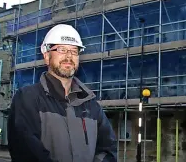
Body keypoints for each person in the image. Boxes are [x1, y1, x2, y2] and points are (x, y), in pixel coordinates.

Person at [7, 24, 117, 162]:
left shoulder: (92, 106)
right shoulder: (27, 99)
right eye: (61, 49)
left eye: (74, 51)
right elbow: (26, 152)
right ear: (46, 56)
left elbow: (108, 150)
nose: (69, 56)